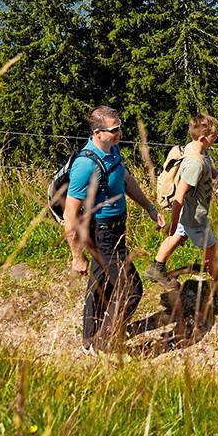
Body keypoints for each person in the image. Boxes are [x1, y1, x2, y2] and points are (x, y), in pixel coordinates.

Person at [63, 106, 166, 354]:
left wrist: (150, 208)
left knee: (100, 282)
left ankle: (89, 341)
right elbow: (69, 213)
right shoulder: (84, 166)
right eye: (114, 129)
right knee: (131, 289)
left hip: (118, 228)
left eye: (120, 127)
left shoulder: (113, 150)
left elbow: (126, 180)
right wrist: (77, 257)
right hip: (103, 233)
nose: (120, 132)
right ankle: (104, 341)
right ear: (98, 132)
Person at [144, 113, 218, 289]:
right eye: (214, 136)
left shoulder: (197, 149)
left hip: (187, 212)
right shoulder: (194, 164)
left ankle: (156, 268)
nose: (217, 138)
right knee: (210, 249)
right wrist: (172, 222)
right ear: (203, 138)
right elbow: (179, 195)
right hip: (194, 216)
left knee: (179, 236)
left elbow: (209, 170)